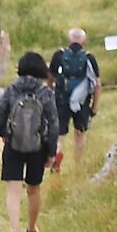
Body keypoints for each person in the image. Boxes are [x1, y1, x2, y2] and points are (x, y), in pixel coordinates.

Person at [0, 50, 62, 232]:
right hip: (38, 147)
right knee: (34, 189)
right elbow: (53, 123)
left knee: (13, 190)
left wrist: (4, 135)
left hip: (13, 145)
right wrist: (51, 152)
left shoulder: (11, 89)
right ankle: (31, 229)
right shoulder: (45, 92)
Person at [47, 28, 100, 175]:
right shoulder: (89, 58)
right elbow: (97, 84)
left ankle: (57, 155)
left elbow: (50, 77)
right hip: (82, 101)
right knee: (80, 133)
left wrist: (51, 91)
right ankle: (78, 165)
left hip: (61, 100)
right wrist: (94, 107)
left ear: (69, 40)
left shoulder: (59, 55)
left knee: (59, 134)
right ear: (84, 41)